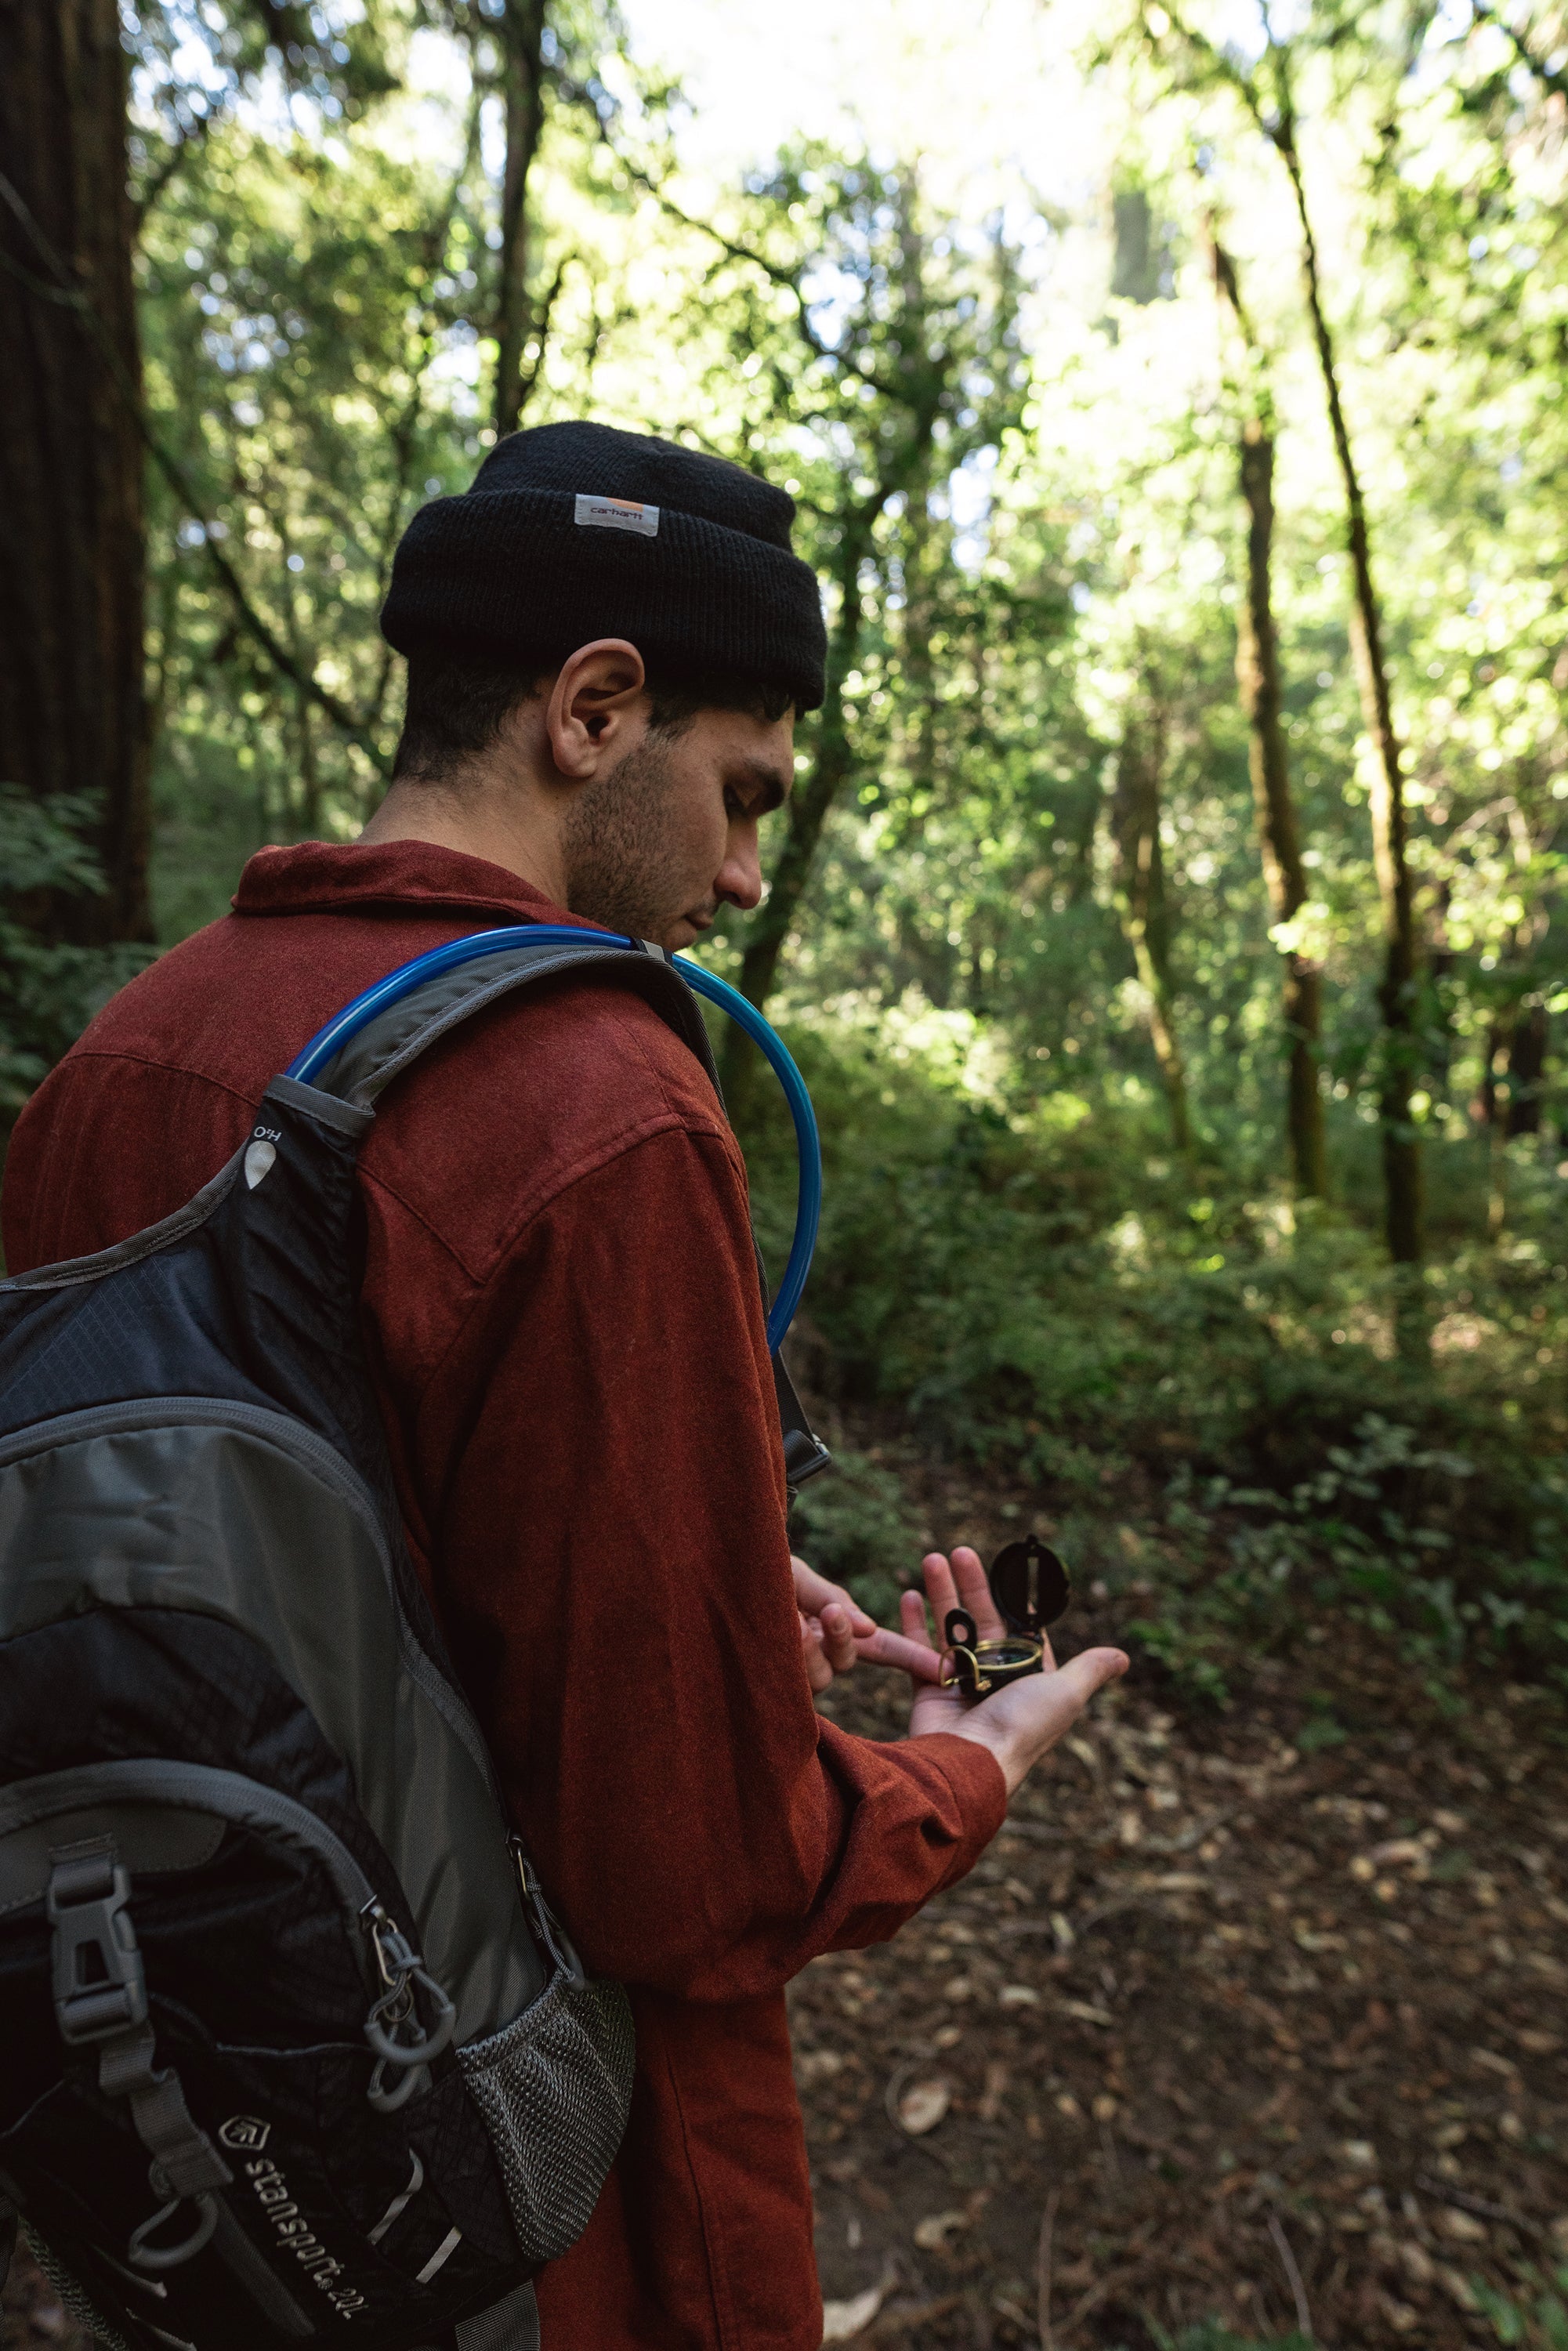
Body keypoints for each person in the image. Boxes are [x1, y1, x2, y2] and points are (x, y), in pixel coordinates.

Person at [0, 421, 1127, 2350]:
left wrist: (691, 1590)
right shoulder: (599, 1102)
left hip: (195, 2150)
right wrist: (962, 1762)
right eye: (742, 793)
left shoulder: (129, 1051)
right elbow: (686, 1876)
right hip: (552, 2210)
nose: (747, 872)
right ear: (596, 708)